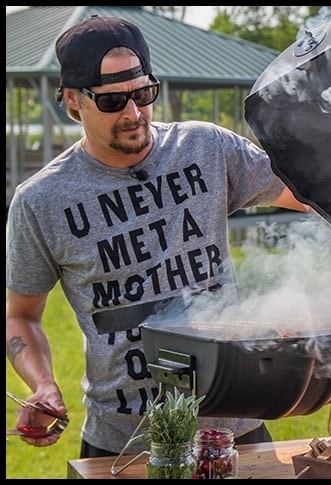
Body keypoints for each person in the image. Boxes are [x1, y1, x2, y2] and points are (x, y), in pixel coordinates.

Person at [5, 15, 312, 458]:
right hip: (124, 441)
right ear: (72, 101)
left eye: (143, 94)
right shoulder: (41, 200)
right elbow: (21, 317)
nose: (133, 115)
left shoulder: (206, 148)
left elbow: (307, 192)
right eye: (112, 102)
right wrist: (44, 384)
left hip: (233, 428)